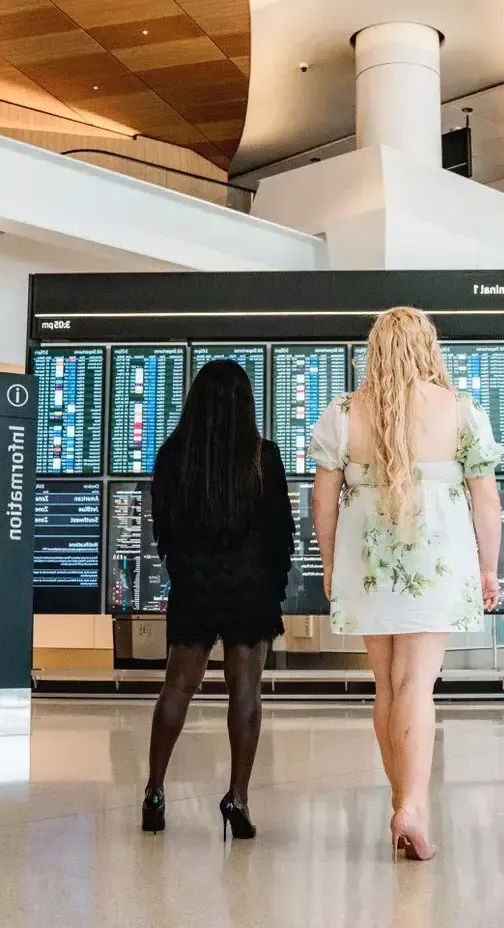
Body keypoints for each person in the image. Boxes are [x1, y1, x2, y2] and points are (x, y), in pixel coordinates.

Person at [311, 307, 503, 861]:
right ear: (427, 348)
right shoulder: (461, 410)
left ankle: (401, 800)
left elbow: (323, 501)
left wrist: (329, 564)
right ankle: (412, 807)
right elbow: (485, 499)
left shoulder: (344, 412)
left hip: (364, 562)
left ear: (376, 349)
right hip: (438, 561)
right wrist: (488, 567)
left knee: (387, 685)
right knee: (417, 684)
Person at [141, 359, 293, 841]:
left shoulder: (172, 456)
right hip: (251, 590)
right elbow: (281, 534)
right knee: (244, 691)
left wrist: (185, 572)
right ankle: (237, 796)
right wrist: (273, 585)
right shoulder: (262, 457)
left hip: (195, 587)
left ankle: (155, 790)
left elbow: (161, 529)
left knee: (177, 688)